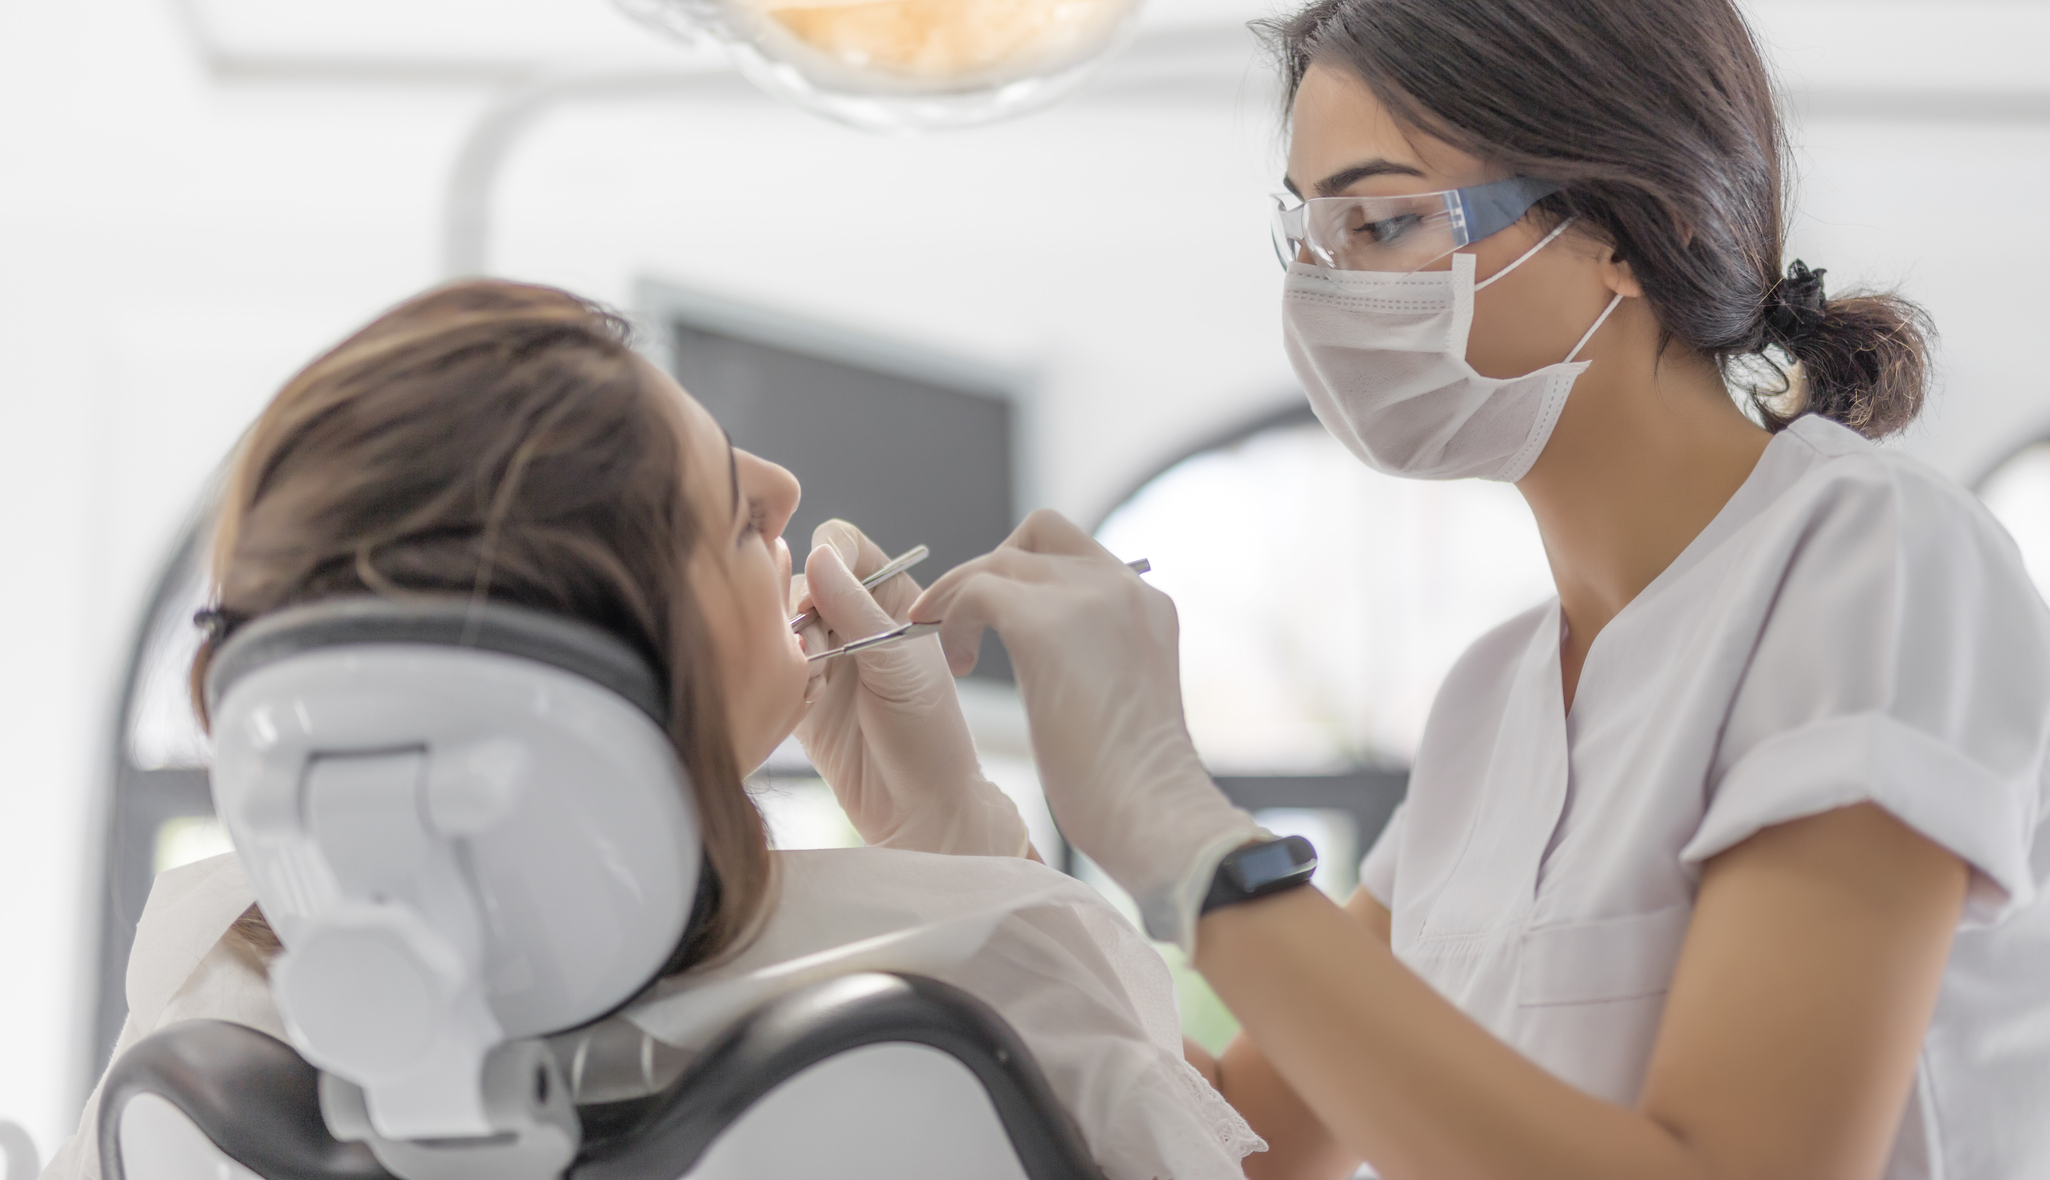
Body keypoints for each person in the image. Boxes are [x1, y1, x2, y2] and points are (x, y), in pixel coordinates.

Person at [906, 0, 2050, 1179]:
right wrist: (952, 839)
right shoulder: (1497, 699)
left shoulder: (1869, 561)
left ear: (1636, 226)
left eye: (1383, 223)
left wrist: (1187, 838)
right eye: (1307, 235)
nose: (1325, 294)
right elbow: (1240, 1154)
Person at [44, 282, 1256, 1180]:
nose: (783, 489)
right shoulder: (999, 955)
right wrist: (962, 848)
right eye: (734, 519)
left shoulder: (200, 992)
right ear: (640, 663)